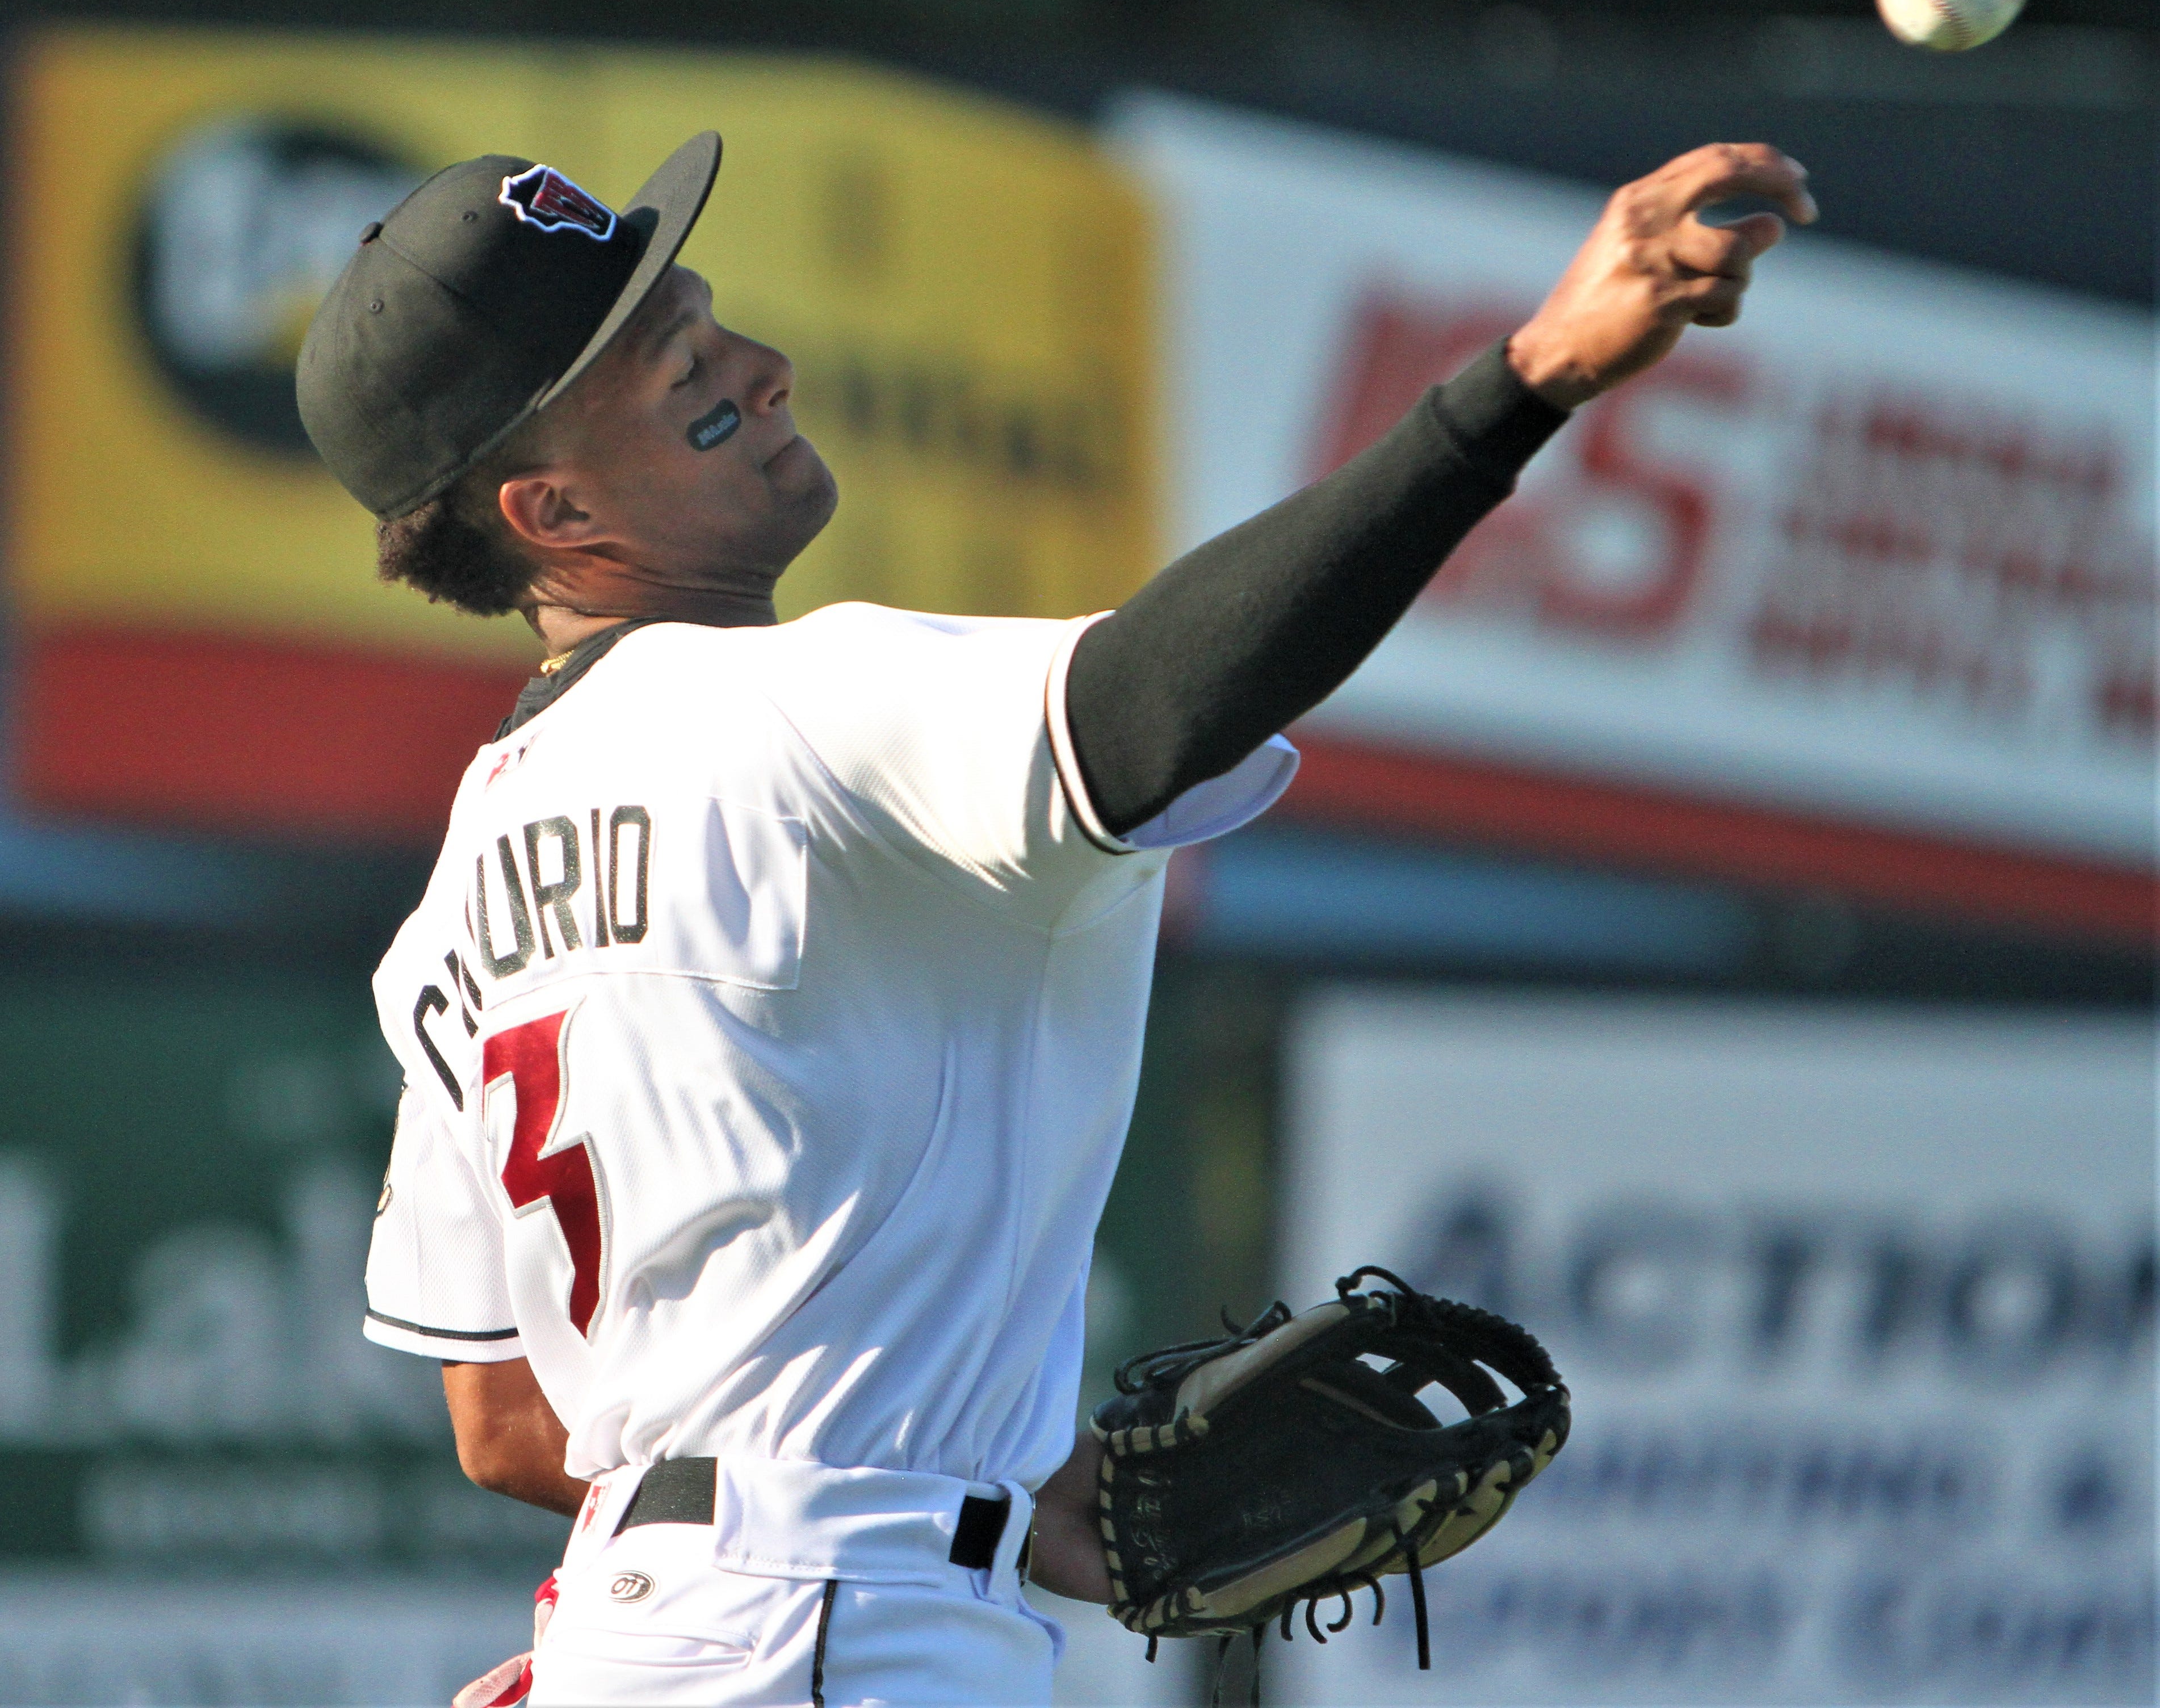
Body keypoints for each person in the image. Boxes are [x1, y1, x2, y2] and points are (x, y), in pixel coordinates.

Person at [297, 129, 1811, 1706]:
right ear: (552, 509)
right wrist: (1528, 380)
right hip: (834, 1632)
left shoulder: (468, 879)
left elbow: (511, 1421)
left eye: (709, 314)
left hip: (664, 1630)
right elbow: (1161, 699)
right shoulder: (796, 707)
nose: (765, 364)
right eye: (684, 365)